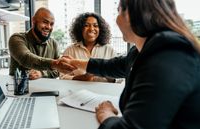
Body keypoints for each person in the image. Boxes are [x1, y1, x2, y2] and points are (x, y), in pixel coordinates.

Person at [59, 0, 200, 128]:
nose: (116, 19)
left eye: (118, 11)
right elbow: (113, 66)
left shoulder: (167, 56)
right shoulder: (140, 50)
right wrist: (74, 62)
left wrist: (106, 115)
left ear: (130, 15)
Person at [9, 7, 64, 80]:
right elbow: (26, 58)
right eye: (45, 22)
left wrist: (42, 73)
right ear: (34, 20)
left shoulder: (54, 43)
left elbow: (59, 70)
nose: (48, 27)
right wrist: (54, 64)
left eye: (51, 24)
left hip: (47, 89)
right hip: (20, 89)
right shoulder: (17, 38)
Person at [60, 12, 117, 83]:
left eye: (95, 25)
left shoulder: (109, 50)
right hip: (76, 92)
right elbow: (62, 77)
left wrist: (103, 71)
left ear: (100, 29)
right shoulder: (70, 50)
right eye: (86, 25)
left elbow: (120, 79)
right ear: (80, 29)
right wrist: (81, 78)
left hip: (104, 93)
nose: (91, 29)